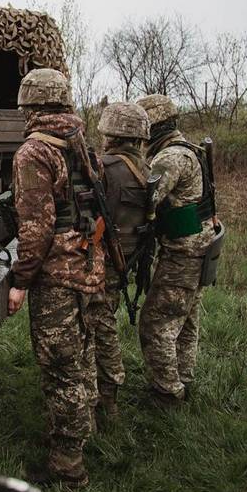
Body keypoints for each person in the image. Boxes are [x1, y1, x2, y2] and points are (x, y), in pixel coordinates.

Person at [6, 68, 104, 489]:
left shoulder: (34, 152)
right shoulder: (81, 141)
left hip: (58, 274)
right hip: (88, 262)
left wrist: (20, 281)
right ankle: (87, 427)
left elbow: (35, 228)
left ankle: (68, 466)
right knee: (83, 352)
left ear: (29, 105)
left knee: (60, 366)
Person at [135, 94, 217, 406]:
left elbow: (146, 199)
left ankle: (166, 392)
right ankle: (182, 380)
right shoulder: (190, 149)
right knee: (185, 321)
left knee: (156, 323)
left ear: (152, 126)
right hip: (199, 247)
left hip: (183, 253)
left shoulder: (169, 158)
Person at [86, 102, 151, 420]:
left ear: (110, 133)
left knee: (100, 323)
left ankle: (107, 395)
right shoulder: (147, 169)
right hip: (128, 257)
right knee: (103, 318)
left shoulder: (105, 166)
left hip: (103, 259)